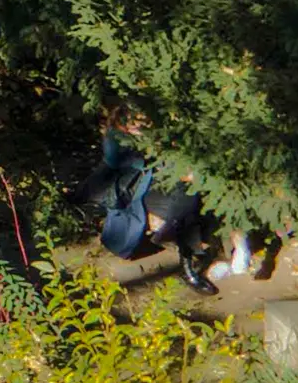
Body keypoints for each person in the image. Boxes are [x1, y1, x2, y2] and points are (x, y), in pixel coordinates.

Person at [90, 121, 220, 294]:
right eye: (135, 120)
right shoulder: (115, 139)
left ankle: (183, 252)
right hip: (136, 191)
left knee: (188, 196)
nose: (142, 122)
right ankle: (186, 266)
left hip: (160, 184)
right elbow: (124, 170)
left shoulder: (158, 129)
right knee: (184, 202)